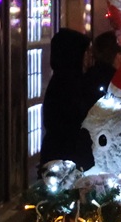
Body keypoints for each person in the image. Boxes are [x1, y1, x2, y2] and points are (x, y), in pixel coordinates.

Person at [39, 29, 91, 167]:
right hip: (66, 156)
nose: (87, 57)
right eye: (85, 52)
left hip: (57, 154)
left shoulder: (60, 80)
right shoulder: (69, 84)